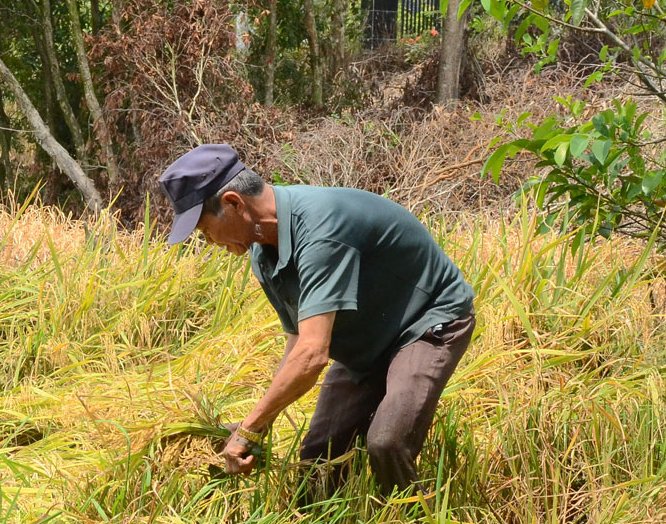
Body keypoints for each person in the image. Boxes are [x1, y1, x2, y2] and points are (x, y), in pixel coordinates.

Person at [158, 143, 476, 499]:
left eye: (205, 230)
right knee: (319, 458)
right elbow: (298, 341)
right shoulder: (263, 251)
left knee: (387, 441)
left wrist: (249, 428)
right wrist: (261, 426)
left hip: (427, 322)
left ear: (233, 203)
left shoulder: (321, 229)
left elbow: (313, 355)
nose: (209, 241)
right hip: (366, 336)